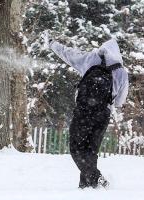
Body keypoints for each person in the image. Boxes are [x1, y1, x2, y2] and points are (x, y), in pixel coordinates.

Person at [42, 33, 129, 189]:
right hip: (102, 115)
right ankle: (87, 186)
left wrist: (52, 43)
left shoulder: (89, 59)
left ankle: (95, 180)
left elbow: (67, 53)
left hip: (83, 112)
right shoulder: (121, 72)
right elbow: (119, 102)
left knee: (76, 149)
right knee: (91, 151)